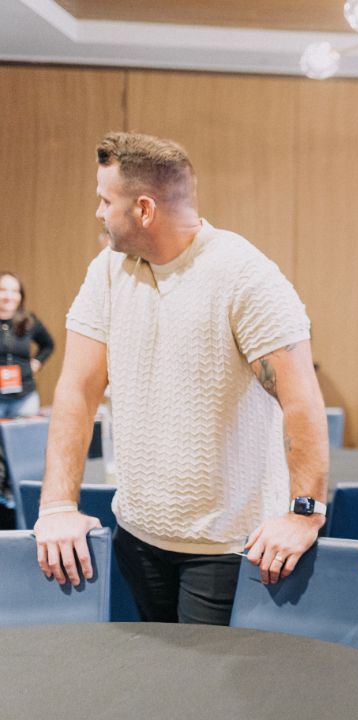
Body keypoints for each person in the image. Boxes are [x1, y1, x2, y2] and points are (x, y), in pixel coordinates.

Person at [32, 131, 329, 625]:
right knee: (157, 689)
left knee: (206, 699)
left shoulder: (243, 274)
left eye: (106, 201)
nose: (99, 213)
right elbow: (77, 392)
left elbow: (301, 401)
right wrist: (58, 504)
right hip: (137, 535)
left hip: (226, 549)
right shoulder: (107, 270)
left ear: (144, 209)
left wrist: (304, 513)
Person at [0, 272, 54, 418]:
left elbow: (48, 345)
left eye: (14, 291)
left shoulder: (29, 321)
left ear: (20, 296)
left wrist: (37, 363)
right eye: (3, 290)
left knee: (25, 439)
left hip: (25, 398)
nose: (8, 296)